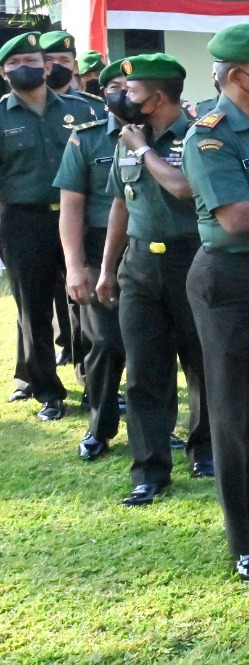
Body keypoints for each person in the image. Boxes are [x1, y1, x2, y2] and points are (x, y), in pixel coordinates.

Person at [182, 22, 249, 582]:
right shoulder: (209, 134)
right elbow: (237, 217)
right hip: (230, 282)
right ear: (233, 77)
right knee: (237, 416)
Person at [95, 54, 214, 506]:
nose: (121, 99)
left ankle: (205, 450)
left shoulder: (200, 134)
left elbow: (185, 187)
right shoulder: (129, 139)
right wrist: (108, 269)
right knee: (145, 371)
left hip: (192, 259)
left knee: (202, 364)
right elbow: (121, 205)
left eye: (131, 92)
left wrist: (143, 151)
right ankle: (149, 469)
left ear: (158, 96)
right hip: (140, 265)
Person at [0, 32, 98, 420]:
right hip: (25, 221)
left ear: (47, 66)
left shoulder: (83, 109)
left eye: (32, 59)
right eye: (15, 62)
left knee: (87, 303)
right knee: (34, 308)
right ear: (4, 72)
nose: (25, 67)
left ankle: (95, 382)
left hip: (81, 220)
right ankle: (47, 390)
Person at [56, 60, 129, 459]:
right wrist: (75, 265)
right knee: (105, 342)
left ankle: (155, 425)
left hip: (153, 243)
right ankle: (100, 426)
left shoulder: (173, 134)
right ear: (103, 93)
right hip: (99, 246)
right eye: (115, 85)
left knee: (155, 346)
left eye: (132, 85)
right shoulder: (85, 139)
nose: (125, 92)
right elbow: (72, 208)